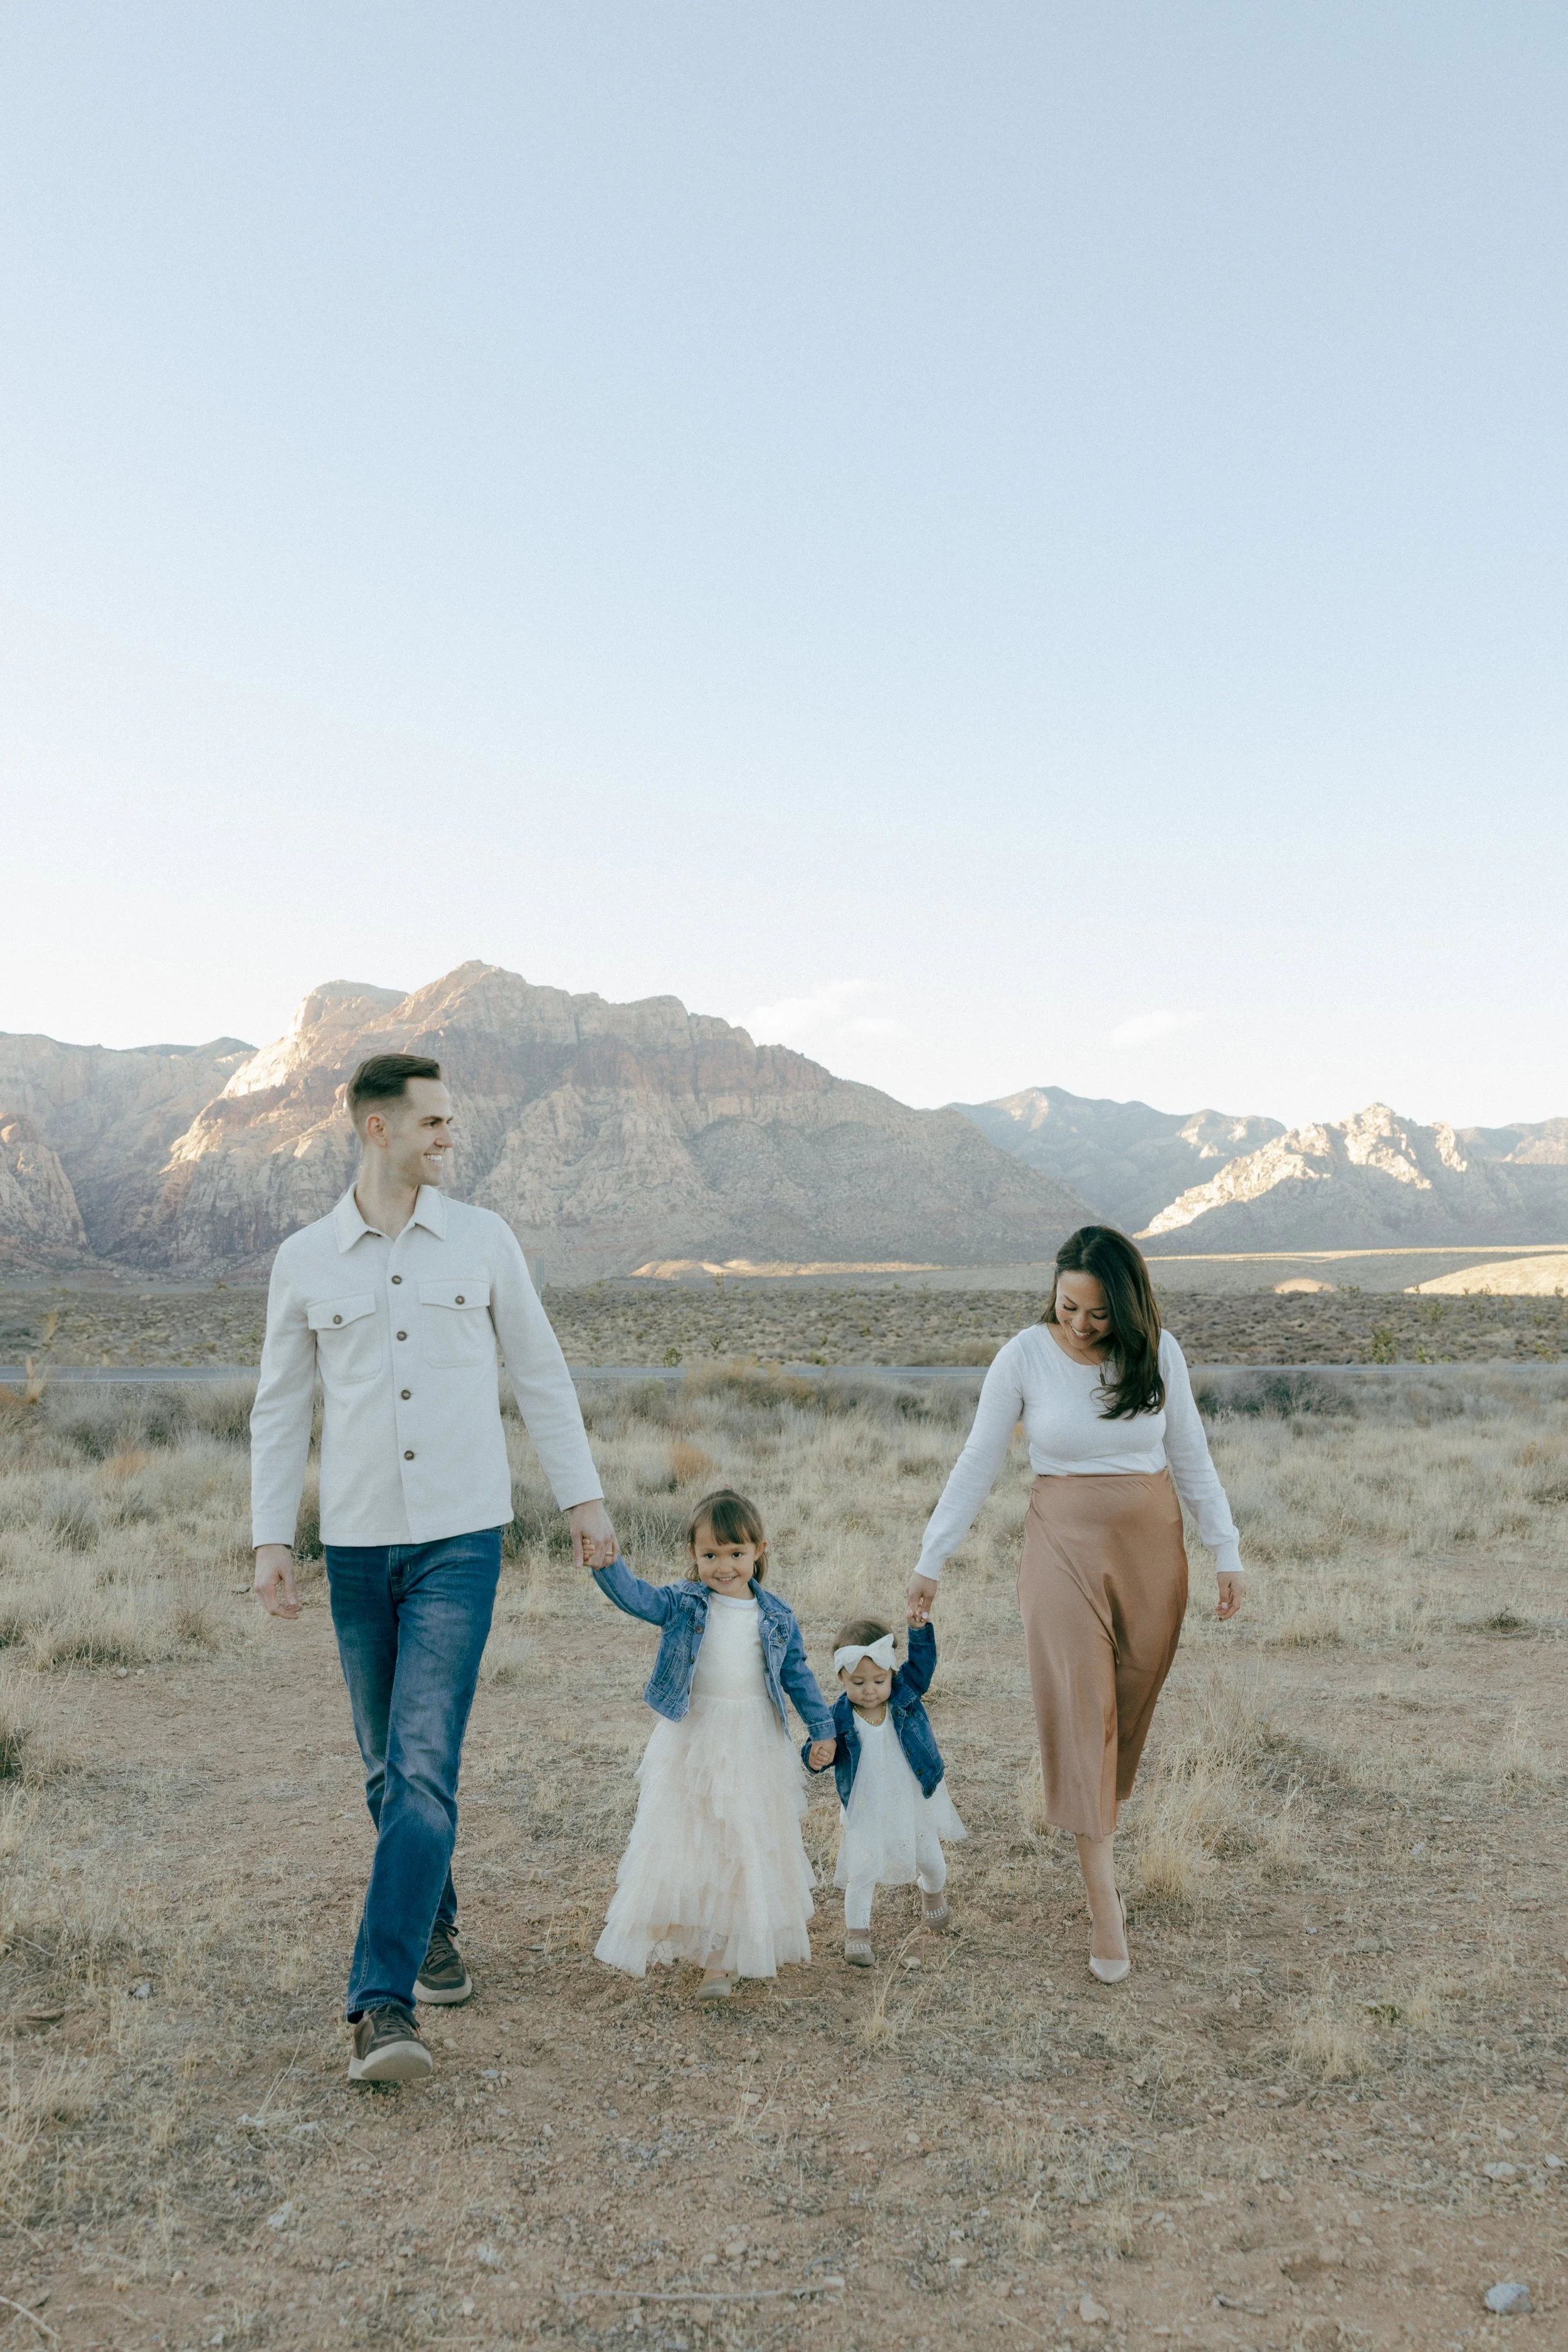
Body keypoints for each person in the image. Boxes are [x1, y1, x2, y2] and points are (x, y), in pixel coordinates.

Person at [250, 1052, 615, 2084]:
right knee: (384, 1767)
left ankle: (383, 2002)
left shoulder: (486, 1241)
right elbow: (280, 1406)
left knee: (420, 1759)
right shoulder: (306, 1259)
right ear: (378, 1131)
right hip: (360, 1547)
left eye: (450, 1124)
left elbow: (541, 1374)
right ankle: (437, 1924)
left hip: (463, 1540)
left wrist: (583, 1498)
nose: (451, 1138)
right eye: (436, 1124)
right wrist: (271, 1536)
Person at [906, 1226, 1246, 1984]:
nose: (1080, 1325)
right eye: (1068, 1307)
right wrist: (932, 1558)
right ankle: (1105, 1904)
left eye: (1096, 1313)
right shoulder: (1023, 1355)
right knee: (1083, 1710)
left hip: (1151, 1549)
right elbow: (978, 1459)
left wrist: (1225, 1547)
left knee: (1125, 1709)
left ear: (1125, 1306)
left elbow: (1189, 1452)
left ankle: (1098, 1818)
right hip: (1060, 1547)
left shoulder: (1158, 1352)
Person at [582, 1489, 837, 1999]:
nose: (724, 1566)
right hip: (693, 1734)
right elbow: (639, 1599)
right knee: (690, 1834)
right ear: (694, 1556)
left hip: (754, 1739)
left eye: (736, 1554)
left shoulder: (777, 1617)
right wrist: (607, 1566)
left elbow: (798, 1675)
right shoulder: (684, 1603)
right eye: (711, 1555)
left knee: (743, 1838)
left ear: (760, 1550)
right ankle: (691, 1932)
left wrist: (823, 1728)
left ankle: (723, 1960)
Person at [807, 1610, 967, 1966]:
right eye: (858, 1683)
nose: (869, 1690)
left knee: (930, 1858)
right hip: (866, 1806)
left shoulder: (905, 1695)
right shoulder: (839, 1716)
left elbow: (923, 1664)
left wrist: (919, 1630)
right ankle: (858, 1933)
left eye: (879, 1680)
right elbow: (820, 1746)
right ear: (841, 1677)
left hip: (911, 1797)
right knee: (862, 1869)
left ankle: (933, 1894)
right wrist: (815, 1755)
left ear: (892, 1673)